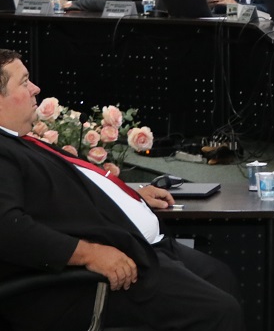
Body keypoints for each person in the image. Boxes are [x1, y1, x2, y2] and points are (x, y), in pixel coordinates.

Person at [0, 49, 244, 330]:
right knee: (219, 312)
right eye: (24, 82)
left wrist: (127, 195)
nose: (36, 89)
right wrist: (90, 254)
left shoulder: (18, 141)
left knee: (221, 277)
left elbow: (62, 194)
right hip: (83, 279)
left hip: (133, 245)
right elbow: (7, 227)